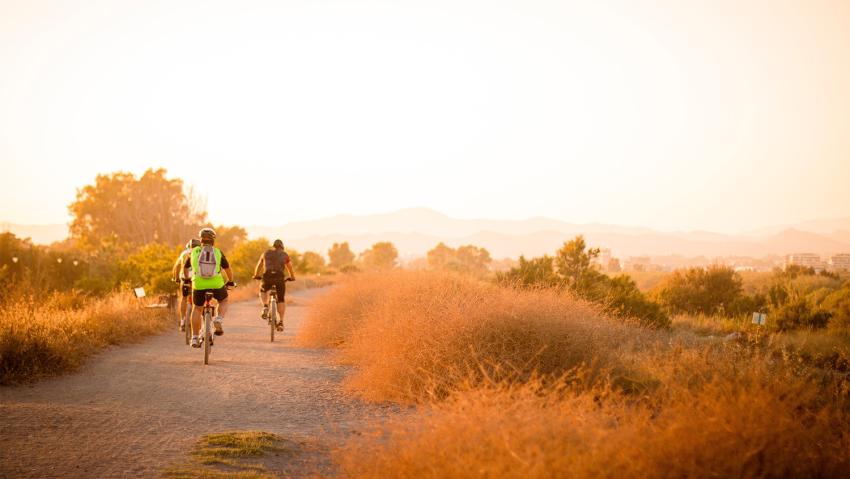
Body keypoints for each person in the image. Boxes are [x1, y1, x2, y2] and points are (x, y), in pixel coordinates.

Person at [183, 227, 235, 347]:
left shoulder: (194, 251)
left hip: (199, 285)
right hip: (216, 284)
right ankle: (218, 319)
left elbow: (185, 268)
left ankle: (195, 338)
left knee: (197, 308)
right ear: (213, 240)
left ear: (201, 239)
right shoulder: (218, 252)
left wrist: (187, 279)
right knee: (224, 300)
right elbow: (228, 269)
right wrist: (231, 281)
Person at [253, 239, 296, 331]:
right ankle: (280, 322)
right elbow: (290, 267)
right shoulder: (285, 255)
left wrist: (256, 275)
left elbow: (259, 265)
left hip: (267, 276)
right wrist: (292, 277)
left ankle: (265, 306)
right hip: (279, 277)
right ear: (282, 247)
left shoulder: (266, 253)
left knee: (263, 290)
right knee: (281, 299)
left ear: (273, 246)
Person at [172, 238, 200, 332]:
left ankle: (183, 320)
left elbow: (177, 266)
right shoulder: (200, 252)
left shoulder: (184, 253)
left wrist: (176, 278)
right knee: (197, 301)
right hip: (196, 278)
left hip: (185, 278)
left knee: (184, 298)